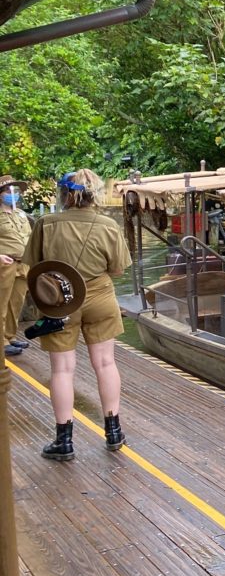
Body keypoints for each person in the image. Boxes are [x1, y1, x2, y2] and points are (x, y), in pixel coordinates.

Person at [24, 169, 131, 461]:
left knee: (62, 370)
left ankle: (64, 441)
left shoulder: (46, 224)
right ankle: (113, 433)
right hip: (100, 299)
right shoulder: (108, 225)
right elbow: (118, 269)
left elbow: (32, 266)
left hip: (60, 304)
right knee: (105, 363)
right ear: (93, 194)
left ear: (63, 194)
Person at [0, 175, 32, 357]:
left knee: (16, 302)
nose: (12, 194)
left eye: (15, 191)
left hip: (23, 263)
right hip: (5, 264)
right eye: (8, 191)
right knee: (1, 303)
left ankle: (9, 336)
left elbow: (29, 237)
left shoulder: (20, 214)